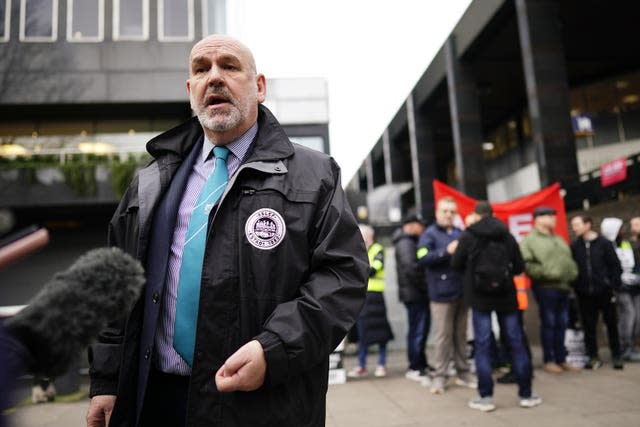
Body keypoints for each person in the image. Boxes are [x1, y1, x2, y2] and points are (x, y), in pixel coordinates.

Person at [86, 35, 369, 427]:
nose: (214, 78)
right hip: (155, 401)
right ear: (191, 92)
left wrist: (274, 350)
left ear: (259, 86)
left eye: (229, 66)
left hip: (264, 403)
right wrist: (106, 379)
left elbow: (343, 277)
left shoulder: (315, 175)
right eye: (201, 70)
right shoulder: (151, 183)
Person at [452, 201, 541, 411]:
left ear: (476, 214)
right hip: (506, 297)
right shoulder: (506, 235)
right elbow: (519, 267)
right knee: (516, 343)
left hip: (479, 297)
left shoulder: (468, 236)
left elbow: (455, 264)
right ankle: (526, 395)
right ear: (492, 214)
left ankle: (485, 398)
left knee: (482, 346)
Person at [417, 197, 476, 394]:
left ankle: (463, 371)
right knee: (443, 336)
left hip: (461, 292)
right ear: (437, 213)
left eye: (452, 211)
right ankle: (440, 376)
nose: (449, 214)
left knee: (461, 335)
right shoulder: (429, 234)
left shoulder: (461, 233)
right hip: (440, 295)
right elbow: (422, 257)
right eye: (445, 211)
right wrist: (445, 251)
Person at [520, 207, 578, 374]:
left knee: (562, 323)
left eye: (553, 215)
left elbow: (568, 259)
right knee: (549, 323)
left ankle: (561, 358)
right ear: (538, 219)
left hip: (564, 287)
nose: (553, 218)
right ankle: (549, 359)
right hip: (545, 288)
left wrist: (572, 273)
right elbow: (527, 264)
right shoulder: (530, 240)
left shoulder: (557, 238)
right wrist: (546, 274)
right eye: (549, 216)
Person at [570, 215, 623, 370]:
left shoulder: (604, 244)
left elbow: (615, 266)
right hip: (584, 293)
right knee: (588, 327)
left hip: (605, 292)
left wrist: (612, 284)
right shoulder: (574, 246)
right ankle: (593, 356)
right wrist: (576, 286)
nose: (574, 228)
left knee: (611, 324)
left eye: (577, 224)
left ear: (588, 224)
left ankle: (616, 355)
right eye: (573, 225)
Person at [348, 224, 394, 378]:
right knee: (362, 333)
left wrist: (356, 270)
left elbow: (375, 268)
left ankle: (382, 364)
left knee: (381, 332)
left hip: (375, 295)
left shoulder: (378, 249)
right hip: (361, 296)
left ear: (369, 236)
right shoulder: (357, 250)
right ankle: (361, 366)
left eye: (361, 235)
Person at [392, 213, 430, 381]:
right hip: (415, 293)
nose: (423, 229)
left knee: (417, 330)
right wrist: (426, 287)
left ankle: (420, 363)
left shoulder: (406, 241)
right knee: (418, 330)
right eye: (420, 225)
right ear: (412, 225)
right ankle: (416, 366)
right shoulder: (406, 243)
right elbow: (412, 268)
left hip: (413, 293)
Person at [600, 217, 640, 362]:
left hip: (634, 286)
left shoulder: (628, 244)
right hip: (619, 288)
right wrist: (616, 281)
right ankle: (624, 348)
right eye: (621, 228)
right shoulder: (605, 246)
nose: (624, 231)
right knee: (628, 316)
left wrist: (636, 276)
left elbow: (635, 262)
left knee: (637, 317)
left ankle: (631, 346)